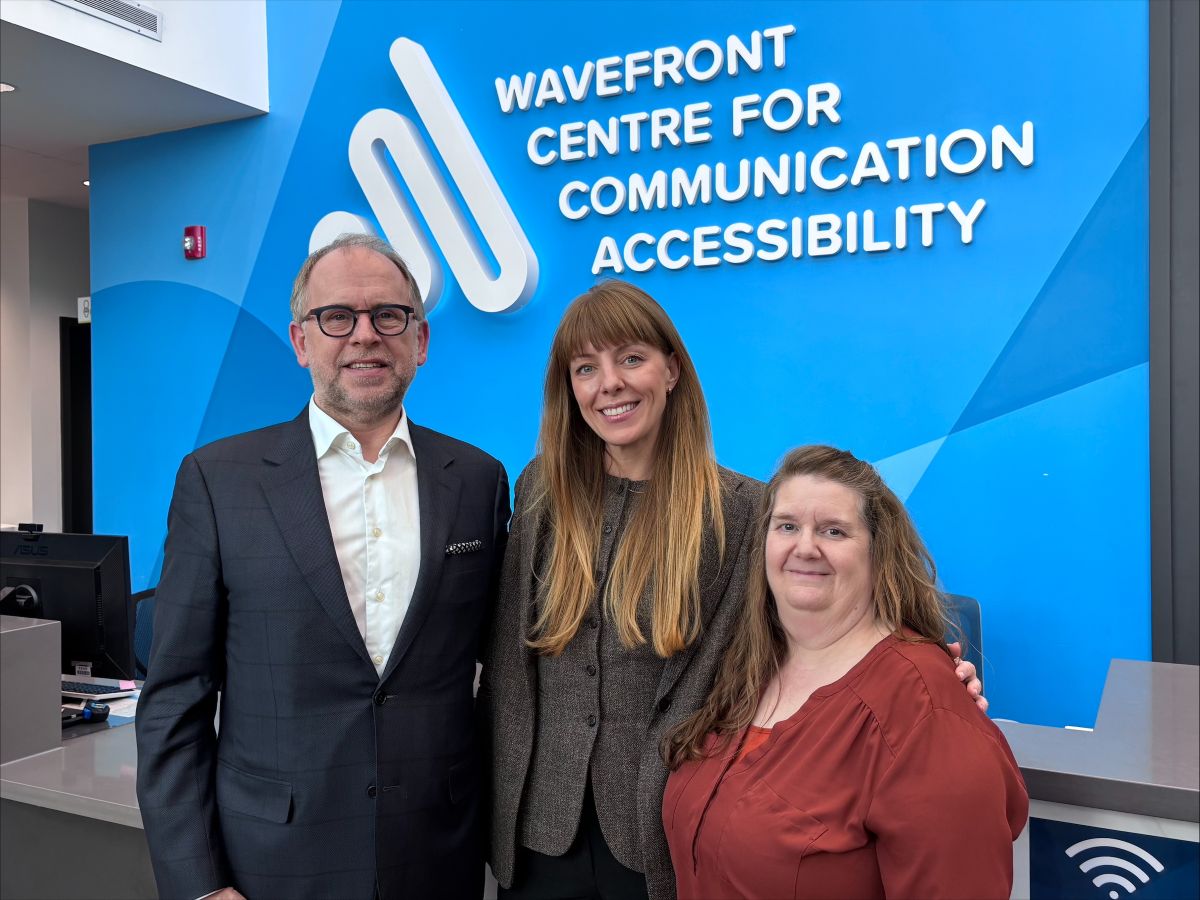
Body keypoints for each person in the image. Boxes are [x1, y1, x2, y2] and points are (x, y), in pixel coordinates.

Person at [480, 283, 986, 900]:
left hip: (661, 834)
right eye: (585, 368)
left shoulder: (742, 510)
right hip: (538, 832)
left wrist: (931, 678)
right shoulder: (539, 490)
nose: (608, 383)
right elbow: (509, 657)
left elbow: (818, 625)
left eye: (631, 358)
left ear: (671, 370)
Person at [135, 234, 510, 900]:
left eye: (388, 316)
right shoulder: (220, 481)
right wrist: (198, 882)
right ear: (302, 341)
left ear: (420, 341)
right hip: (271, 865)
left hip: (436, 858)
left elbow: (499, 672)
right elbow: (174, 701)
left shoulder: (478, 481)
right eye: (338, 317)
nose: (365, 335)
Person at [663, 445, 1028, 900]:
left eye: (834, 531)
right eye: (788, 526)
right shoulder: (746, 667)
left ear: (878, 550)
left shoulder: (925, 712)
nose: (805, 547)